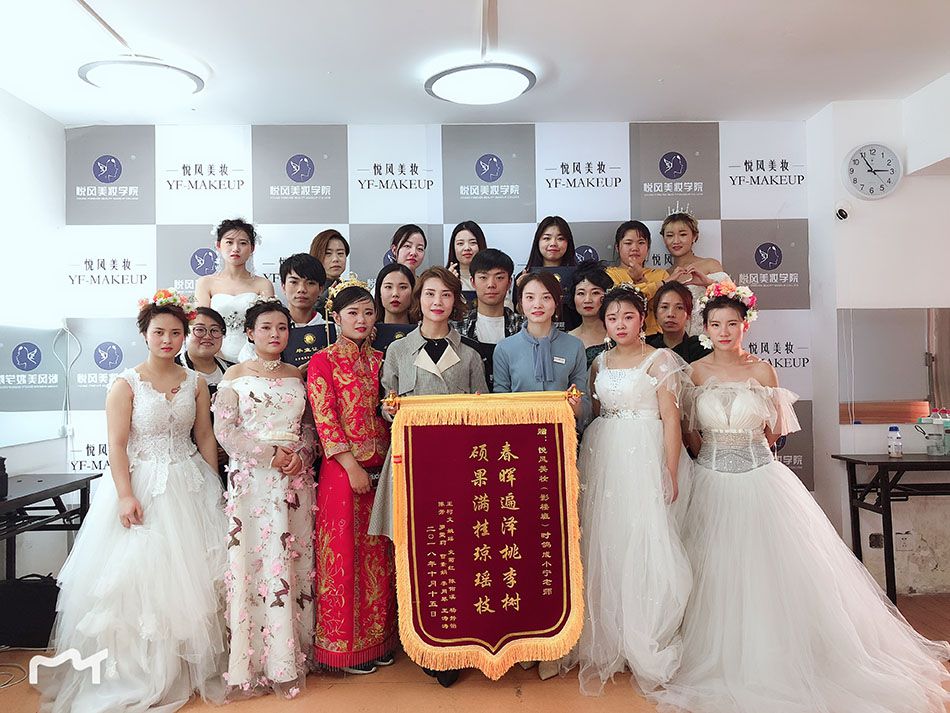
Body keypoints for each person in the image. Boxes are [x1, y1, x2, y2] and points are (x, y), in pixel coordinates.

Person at [653, 282, 950, 713]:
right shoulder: (693, 373)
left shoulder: (763, 371)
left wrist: (744, 447)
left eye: (732, 323)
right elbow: (689, 434)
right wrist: (715, 456)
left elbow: (774, 432)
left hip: (760, 479)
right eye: (716, 324)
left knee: (768, 570)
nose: (724, 331)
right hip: (711, 481)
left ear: (745, 325)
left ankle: (782, 655)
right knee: (714, 569)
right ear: (705, 327)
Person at [37, 290, 227, 713]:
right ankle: (141, 671)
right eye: (159, 332)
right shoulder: (126, 383)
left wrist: (214, 485)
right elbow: (118, 445)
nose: (168, 340)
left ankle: (185, 667)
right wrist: (125, 495)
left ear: (184, 336)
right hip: (142, 485)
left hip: (189, 483)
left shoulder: (195, 382)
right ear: (144, 334)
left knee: (193, 579)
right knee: (141, 580)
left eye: (175, 333)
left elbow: (204, 436)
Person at [566, 285, 692, 696]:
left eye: (628, 317)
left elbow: (671, 420)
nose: (620, 324)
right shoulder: (598, 362)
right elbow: (595, 412)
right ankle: (610, 636)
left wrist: (670, 470)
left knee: (646, 538)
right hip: (605, 454)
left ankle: (646, 632)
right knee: (607, 539)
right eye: (612, 318)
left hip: (645, 454)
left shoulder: (660, 360)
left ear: (642, 320)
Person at [368, 266, 487, 688]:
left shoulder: (470, 355)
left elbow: (484, 412)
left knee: (458, 547)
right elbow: (385, 403)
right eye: (431, 294)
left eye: (447, 295)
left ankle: (456, 635)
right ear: (419, 299)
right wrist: (389, 410)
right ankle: (421, 639)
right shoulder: (398, 350)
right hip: (410, 463)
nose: (438, 302)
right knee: (414, 548)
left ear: (456, 302)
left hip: (457, 465)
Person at [212, 299, 317, 699]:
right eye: (266, 327)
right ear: (250, 333)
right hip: (253, 481)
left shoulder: (297, 375)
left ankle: (291, 656)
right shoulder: (234, 376)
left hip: (295, 480)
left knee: (292, 561)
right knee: (256, 561)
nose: (275, 334)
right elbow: (226, 432)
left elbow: (309, 428)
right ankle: (256, 662)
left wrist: (302, 455)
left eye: (282, 327)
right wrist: (270, 455)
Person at [307, 282, 397, 675]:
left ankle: (379, 640)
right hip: (343, 472)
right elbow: (325, 420)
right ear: (336, 317)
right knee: (343, 556)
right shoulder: (322, 362)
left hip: (386, 469)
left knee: (379, 555)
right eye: (352, 313)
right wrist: (352, 466)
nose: (361, 320)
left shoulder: (383, 360)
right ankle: (344, 649)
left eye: (367, 312)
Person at [492, 271, 586, 419]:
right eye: (530, 297)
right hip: (519, 428)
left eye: (546, 297)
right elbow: (499, 400)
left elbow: (584, 402)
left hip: (562, 427)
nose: (537, 305)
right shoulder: (505, 349)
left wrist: (577, 406)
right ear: (521, 302)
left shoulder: (574, 346)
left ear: (556, 302)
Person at [195, 218, 274, 362]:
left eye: (243, 243)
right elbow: (201, 323)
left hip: (253, 356)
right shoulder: (205, 283)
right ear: (218, 245)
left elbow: (269, 324)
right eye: (229, 242)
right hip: (214, 355)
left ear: (252, 248)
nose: (235, 248)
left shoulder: (263, 284)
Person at [175, 305, 233, 484]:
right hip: (186, 464)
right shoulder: (172, 370)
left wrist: (229, 447)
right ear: (186, 333)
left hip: (232, 464)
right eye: (199, 330)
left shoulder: (234, 371)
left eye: (215, 330)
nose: (208, 336)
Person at [455, 248, 524, 388]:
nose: (491, 284)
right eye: (483, 277)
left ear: (509, 282)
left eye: (499, 278)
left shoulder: (523, 327)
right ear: (473, 282)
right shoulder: (458, 329)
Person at [660, 212, 729, 335]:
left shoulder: (710, 265)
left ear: (694, 237)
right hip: (673, 342)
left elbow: (733, 302)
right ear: (664, 239)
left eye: (683, 234)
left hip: (708, 340)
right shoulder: (663, 275)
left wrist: (708, 283)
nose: (676, 241)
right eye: (670, 235)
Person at [605, 221, 669, 337]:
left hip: (655, 337)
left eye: (641, 243)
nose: (634, 248)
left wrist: (640, 279)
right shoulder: (608, 274)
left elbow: (661, 308)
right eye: (628, 243)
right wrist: (656, 286)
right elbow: (625, 301)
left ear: (648, 247)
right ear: (617, 247)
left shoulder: (661, 275)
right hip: (620, 336)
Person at [646, 281, 711, 363]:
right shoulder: (646, 347)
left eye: (679, 307)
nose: (671, 314)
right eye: (664, 307)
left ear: (688, 314)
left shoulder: (701, 348)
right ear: (655, 313)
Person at [566, 261, 613, 368]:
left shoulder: (618, 336)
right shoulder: (565, 339)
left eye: (595, 293)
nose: (587, 300)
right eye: (581, 293)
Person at [280, 252, 327, 327]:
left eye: (310, 283)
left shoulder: (331, 330)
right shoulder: (272, 329)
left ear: (320, 289)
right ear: (283, 287)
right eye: (294, 282)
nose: (301, 289)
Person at [309, 228, 349, 313]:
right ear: (316, 255)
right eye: (328, 253)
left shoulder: (349, 288)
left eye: (340, 253)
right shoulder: (307, 288)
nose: (335, 259)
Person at [446, 220, 487, 291]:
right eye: (460, 243)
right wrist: (447, 283)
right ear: (453, 248)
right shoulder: (444, 278)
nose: (467, 248)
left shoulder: (492, 277)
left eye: (473, 243)